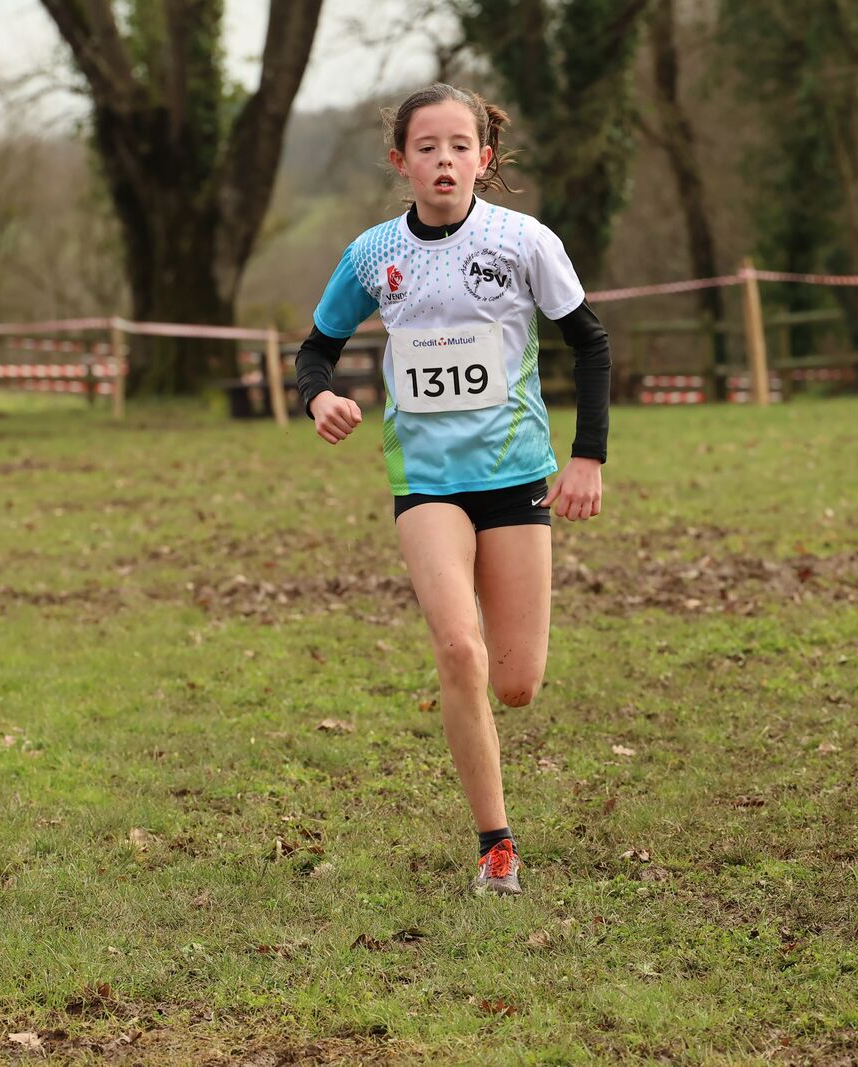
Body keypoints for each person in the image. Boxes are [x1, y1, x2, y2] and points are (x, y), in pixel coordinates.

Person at [295, 83, 611, 897]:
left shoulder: (524, 241)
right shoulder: (372, 254)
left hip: (515, 478)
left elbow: (591, 344)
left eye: (459, 146)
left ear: (484, 158)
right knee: (458, 649)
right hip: (426, 483)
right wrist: (319, 397)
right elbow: (315, 351)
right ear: (400, 161)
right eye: (427, 147)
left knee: (516, 682)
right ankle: (495, 846)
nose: (444, 160)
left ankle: (497, 757)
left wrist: (588, 457)